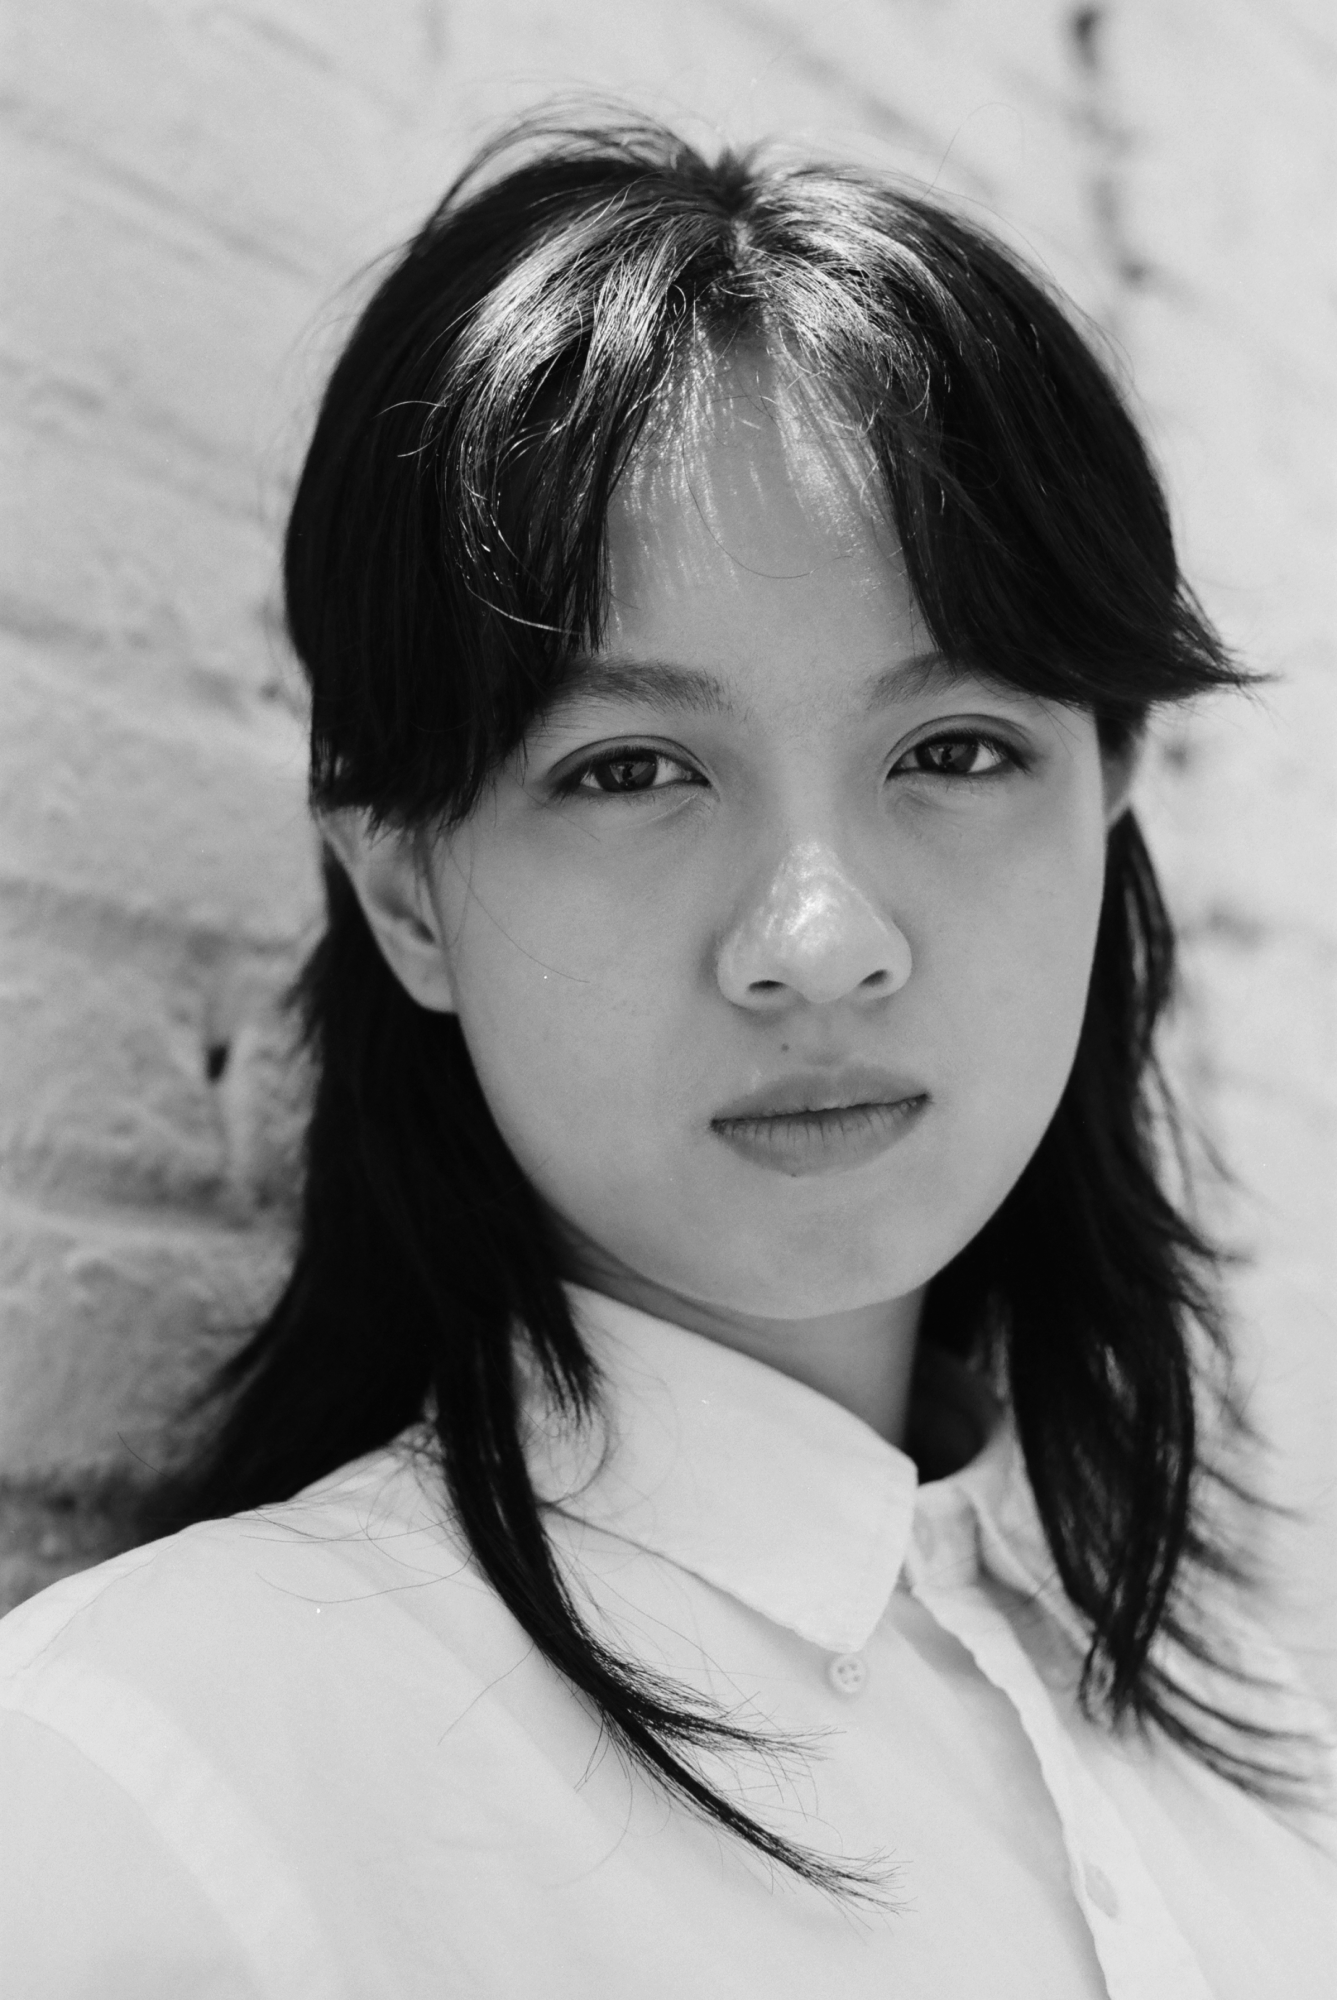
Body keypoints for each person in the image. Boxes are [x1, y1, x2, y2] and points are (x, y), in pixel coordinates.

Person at [0, 115, 1331, 1998]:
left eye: (953, 749)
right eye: (631, 770)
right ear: (404, 893)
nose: (819, 944)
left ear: (1110, 791)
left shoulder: (1234, 1752)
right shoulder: (155, 1787)